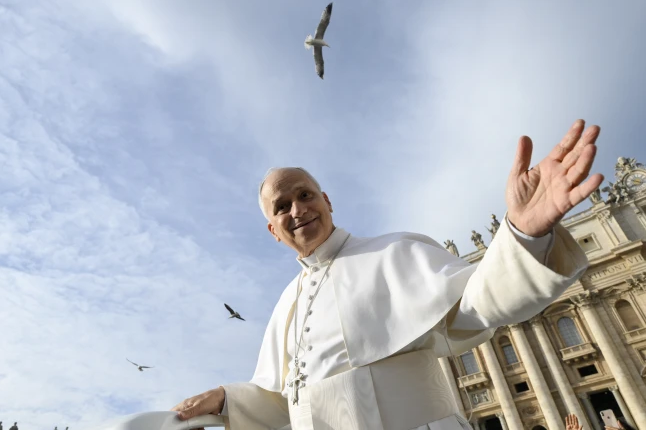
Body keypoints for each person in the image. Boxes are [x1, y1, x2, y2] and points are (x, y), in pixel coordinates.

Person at [172, 120, 603, 429]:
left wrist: (524, 234)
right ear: (273, 229)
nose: (297, 210)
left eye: (305, 196)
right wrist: (227, 398)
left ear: (327, 201)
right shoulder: (286, 305)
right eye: (282, 207)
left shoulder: (395, 251)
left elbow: (477, 305)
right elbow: (283, 399)